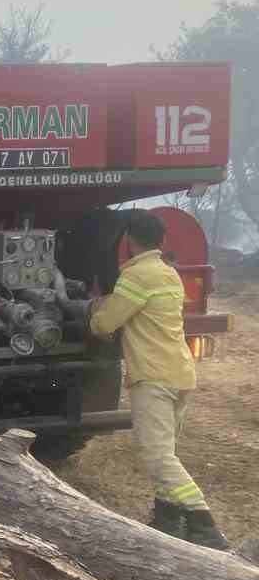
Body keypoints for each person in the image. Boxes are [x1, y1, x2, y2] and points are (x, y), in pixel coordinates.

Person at [89, 210, 228, 550]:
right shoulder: (168, 275)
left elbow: (106, 325)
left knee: (157, 456)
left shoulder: (136, 277)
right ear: (163, 241)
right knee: (166, 450)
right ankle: (167, 517)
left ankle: (203, 522)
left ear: (129, 242)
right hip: (179, 373)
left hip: (153, 377)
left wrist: (95, 307)